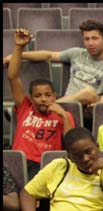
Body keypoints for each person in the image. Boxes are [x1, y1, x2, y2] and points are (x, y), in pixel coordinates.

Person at [3, 20, 103, 116]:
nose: (91, 43)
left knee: (89, 92)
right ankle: (50, 107)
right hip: (66, 106)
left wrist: (97, 107)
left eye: (95, 38)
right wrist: (16, 56)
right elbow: (48, 55)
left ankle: (40, 109)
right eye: (87, 39)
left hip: (86, 108)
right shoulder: (76, 53)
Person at [7, 28, 75, 181]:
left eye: (48, 95)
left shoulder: (64, 115)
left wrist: (63, 115)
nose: (43, 99)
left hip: (46, 165)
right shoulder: (25, 108)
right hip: (19, 162)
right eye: (38, 96)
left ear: (54, 96)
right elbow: (12, 76)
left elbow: (72, 144)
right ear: (31, 98)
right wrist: (19, 46)